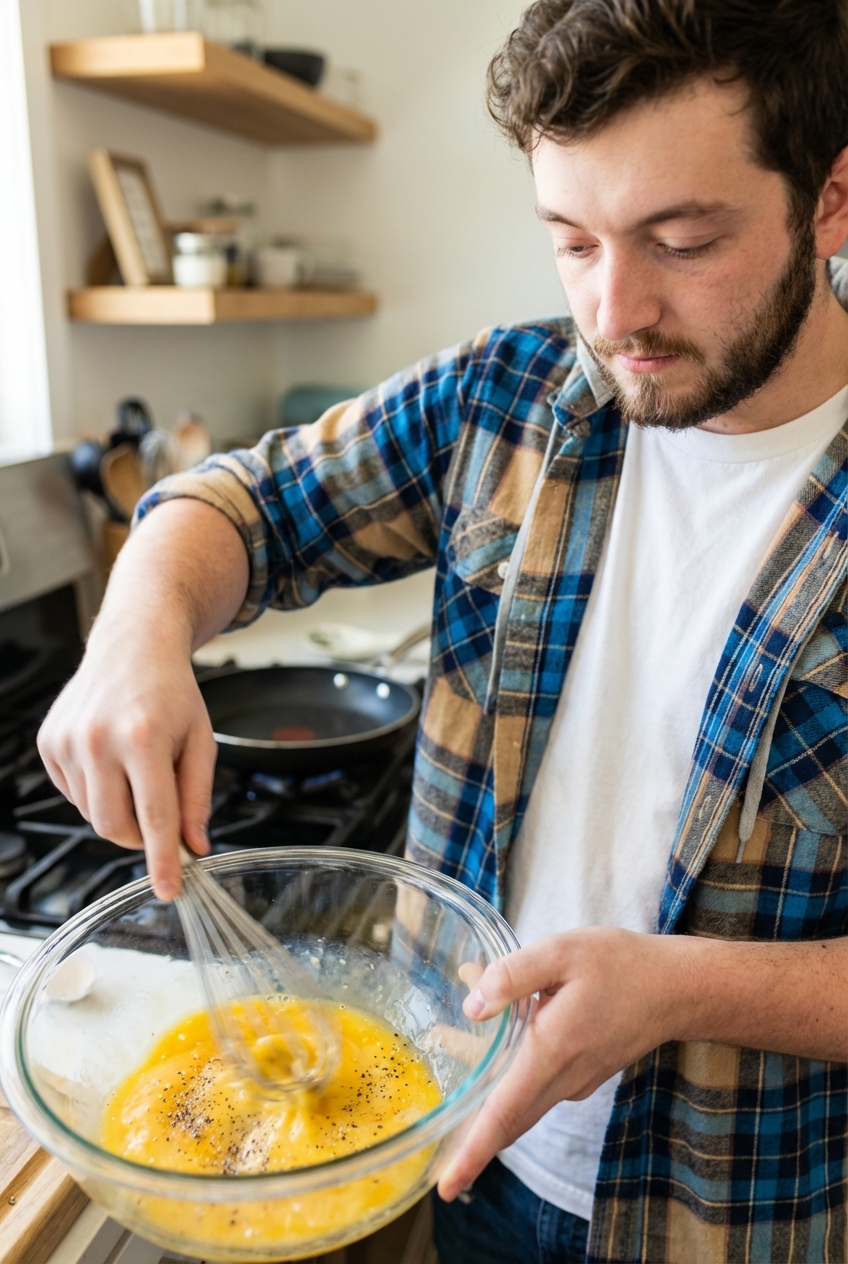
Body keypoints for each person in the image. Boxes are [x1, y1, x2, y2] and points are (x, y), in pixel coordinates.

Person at [39, 1, 847, 1260]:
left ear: (830, 199)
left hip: (740, 1210)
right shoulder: (506, 399)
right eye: (570, 241)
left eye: (680, 240)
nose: (613, 313)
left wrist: (681, 987)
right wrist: (134, 630)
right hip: (456, 1150)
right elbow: (244, 505)